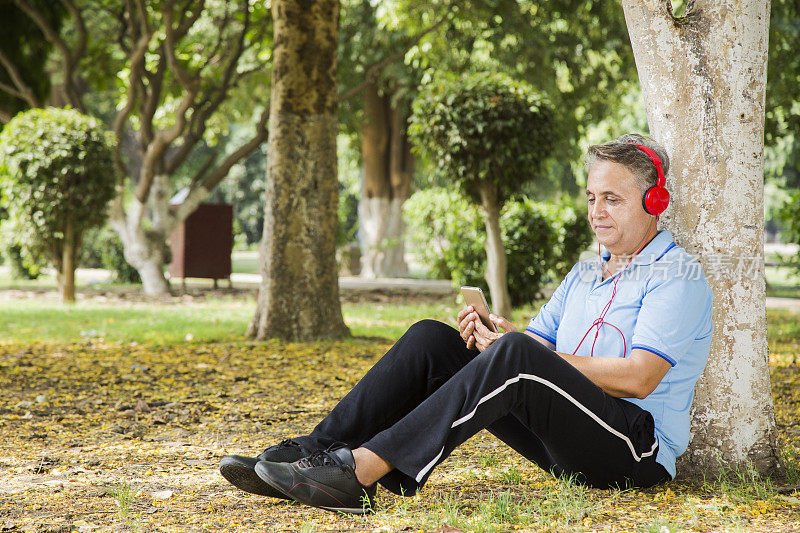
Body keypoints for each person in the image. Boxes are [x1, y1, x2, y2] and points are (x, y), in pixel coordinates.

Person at [219, 133, 713, 515]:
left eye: (612, 199)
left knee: (517, 355)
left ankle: (362, 472)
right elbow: (535, 348)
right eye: (590, 198)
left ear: (654, 202)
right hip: (565, 439)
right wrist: (493, 339)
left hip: (633, 450)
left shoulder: (677, 276)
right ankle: (309, 455)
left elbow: (639, 377)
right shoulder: (585, 273)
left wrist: (520, 352)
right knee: (432, 339)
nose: (596, 213)